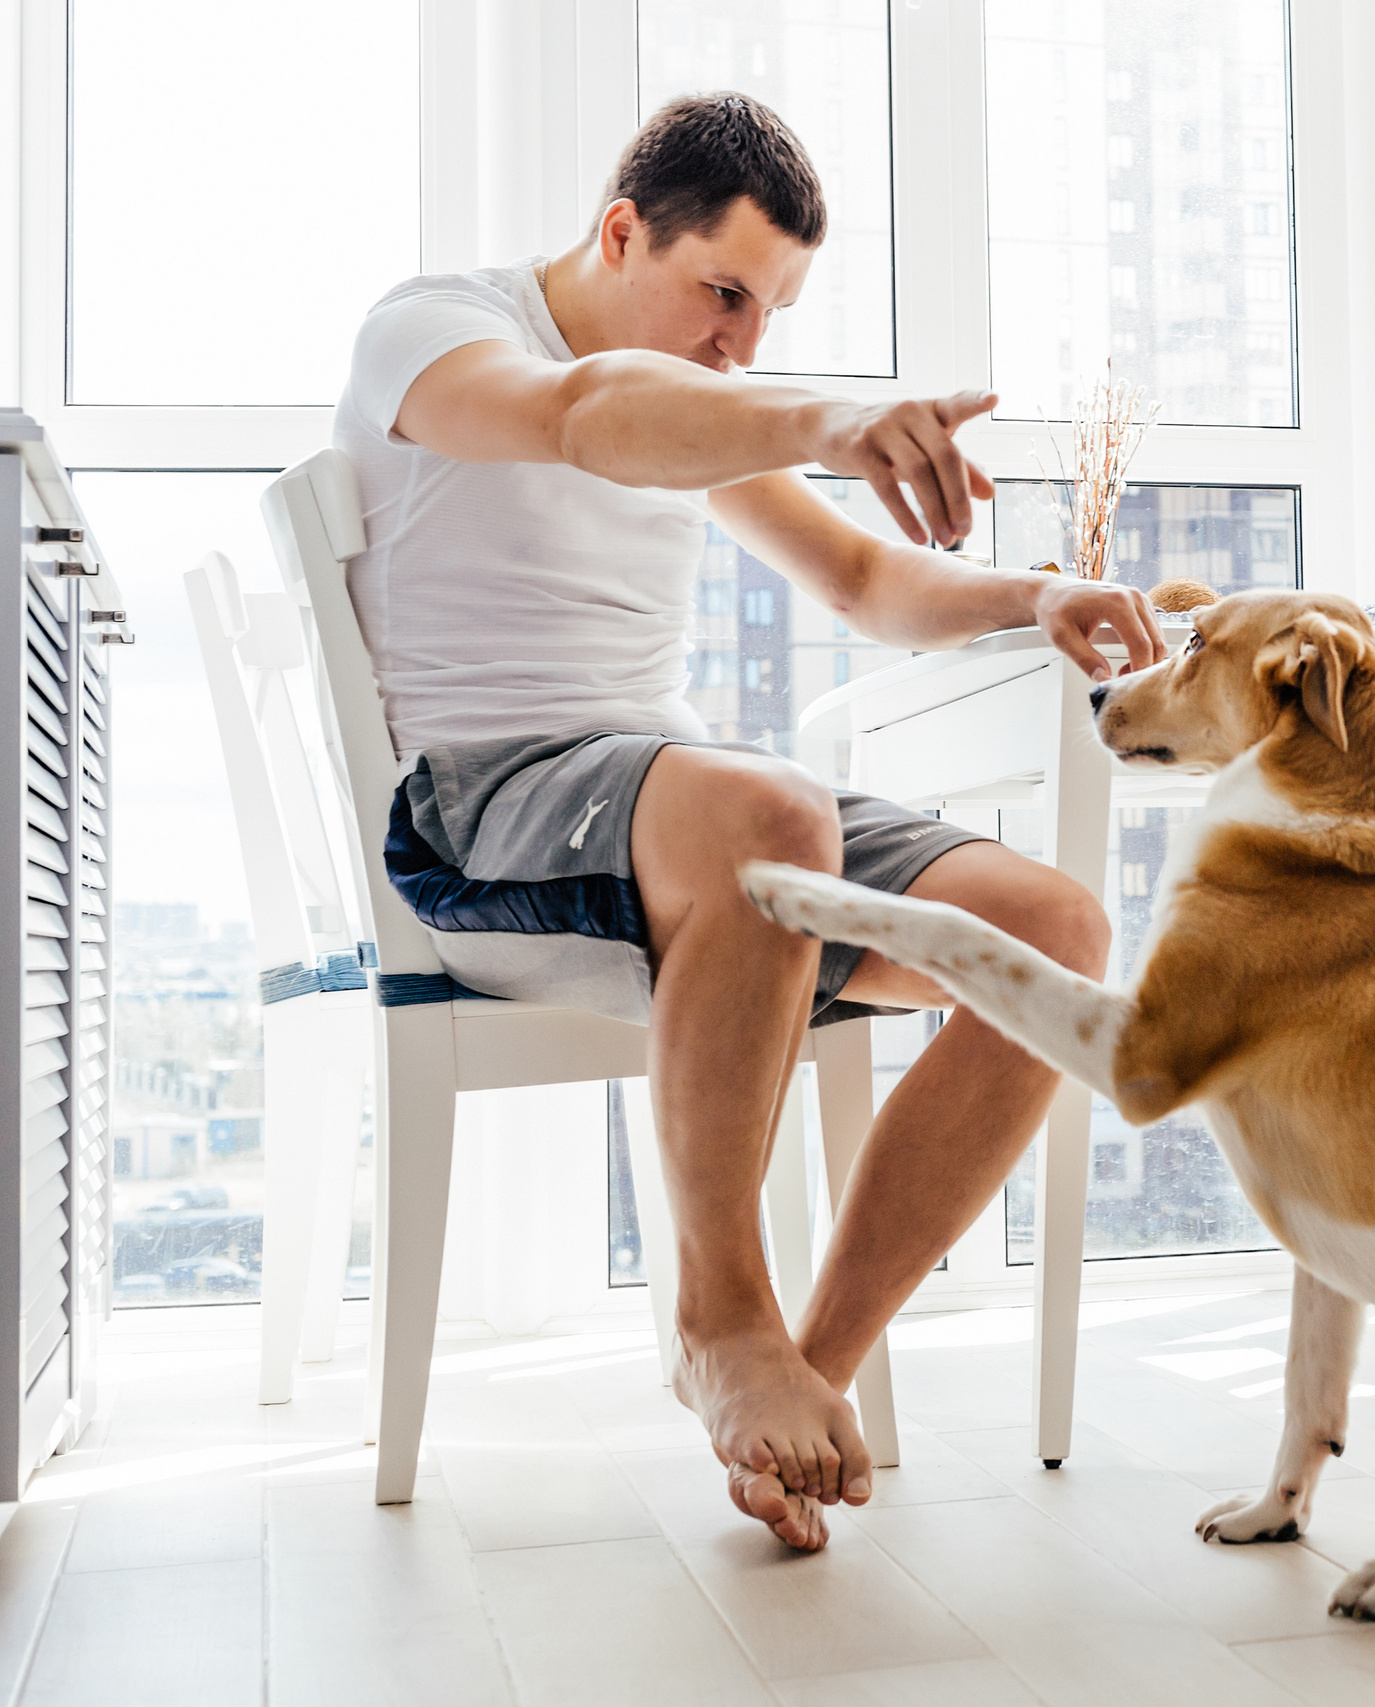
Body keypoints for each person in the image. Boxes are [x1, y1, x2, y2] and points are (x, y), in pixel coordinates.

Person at [335, 93, 1165, 1552]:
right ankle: (721, 1311)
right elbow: (582, 420)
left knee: (1058, 934)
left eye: (771, 311)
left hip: (685, 812)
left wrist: (1031, 597)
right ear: (617, 230)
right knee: (767, 802)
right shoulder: (441, 328)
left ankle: (807, 1377)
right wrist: (836, 417)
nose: (740, 341)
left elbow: (861, 580)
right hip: (483, 812)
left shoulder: (699, 403)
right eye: (723, 291)